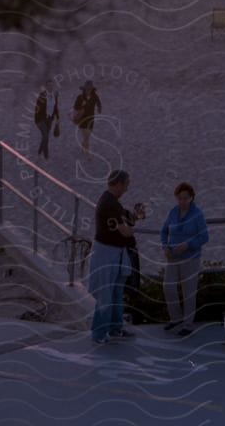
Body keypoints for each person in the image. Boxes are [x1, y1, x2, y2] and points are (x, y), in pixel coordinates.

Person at [89, 170, 136, 345]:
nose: (127, 188)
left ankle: (115, 327)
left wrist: (134, 218)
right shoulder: (109, 204)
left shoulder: (112, 202)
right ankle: (99, 333)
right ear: (118, 184)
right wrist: (131, 230)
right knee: (106, 294)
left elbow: (126, 219)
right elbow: (125, 230)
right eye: (126, 184)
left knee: (116, 292)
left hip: (113, 252)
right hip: (106, 254)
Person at [159, 181, 209, 336]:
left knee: (188, 292)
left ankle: (188, 324)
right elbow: (163, 231)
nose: (182, 201)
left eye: (185, 198)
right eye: (180, 198)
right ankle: (176, 318)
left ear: (191, 198)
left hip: (190, 258)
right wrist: (165, 246)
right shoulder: (173, 212)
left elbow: (204, 237)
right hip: (173, 258)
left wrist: (188, 244)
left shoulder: (197, 214)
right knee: (168, 287)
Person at [72, 80, 101, 154]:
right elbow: (76, 107)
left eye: (89, 89)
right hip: (82, 118)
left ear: (92, 89)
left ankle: (83, 147)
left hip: (91, 118)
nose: (88, 91)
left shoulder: (95, 96)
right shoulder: (80, 97)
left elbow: (99, 103)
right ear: (84, 89)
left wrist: (99, 108)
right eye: (87, 89)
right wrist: (81, 106)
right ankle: (86, 151)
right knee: (86, 136)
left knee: (87, 136)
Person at [33, 84, 59, 162]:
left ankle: (42, 154)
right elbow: (36, 109)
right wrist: (37, 121)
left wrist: (57, 118)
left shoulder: (55, 95)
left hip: (50, 119)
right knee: (45, 137)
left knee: (45, 137)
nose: (50, 87)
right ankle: (43, 155)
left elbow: (55, 107)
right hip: (41, 120)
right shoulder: (41, 97)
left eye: (51, 85)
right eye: (48, 86)